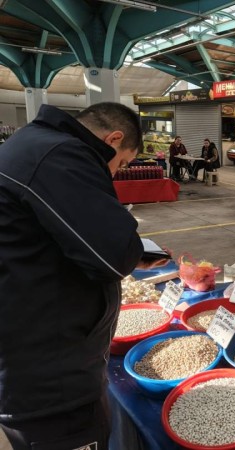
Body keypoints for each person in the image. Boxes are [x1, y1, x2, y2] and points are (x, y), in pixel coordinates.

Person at [0, 102, 163, 449]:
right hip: (50, 379)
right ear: (113, 139)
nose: (117, 173)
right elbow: (116, 254)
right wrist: (130, 246)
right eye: (122, 163)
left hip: (30, 357)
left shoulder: (31, 142)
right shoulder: (61, 156)